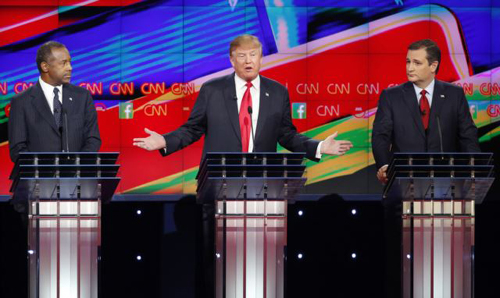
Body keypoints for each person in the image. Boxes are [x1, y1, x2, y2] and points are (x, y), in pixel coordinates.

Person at [371, 39, 480, 298]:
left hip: (447, 193)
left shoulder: (453, 95)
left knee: (447, 260)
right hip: (403, 191)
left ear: (434, 66)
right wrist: (385, 165)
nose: (409, 67)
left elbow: (467, 136)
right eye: (408, 61)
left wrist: (473, 172)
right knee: (402, 264)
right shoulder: (392, 96)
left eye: (417, 63)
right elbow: (380, 137)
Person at [133, 34, 353, 161]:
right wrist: (164, 141)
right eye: (242, 56)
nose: (248, 61)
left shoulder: (277, 92)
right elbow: (193, 129)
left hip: (263, 184)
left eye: (253, 55)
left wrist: (319, 146)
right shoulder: (212, 90)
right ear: (232, 60)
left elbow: (286, 135)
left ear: (261, 58)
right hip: (219, 182)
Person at [8, 41, 101, 162]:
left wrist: (76, 165)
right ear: (45, 67)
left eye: (69, 62)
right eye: (63, 63)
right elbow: (17, 148)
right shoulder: (21, 101)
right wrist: (46, 168)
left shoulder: (82, 96)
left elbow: (93, 139)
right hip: (39, 178)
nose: (70, 68)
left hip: (76, 177)